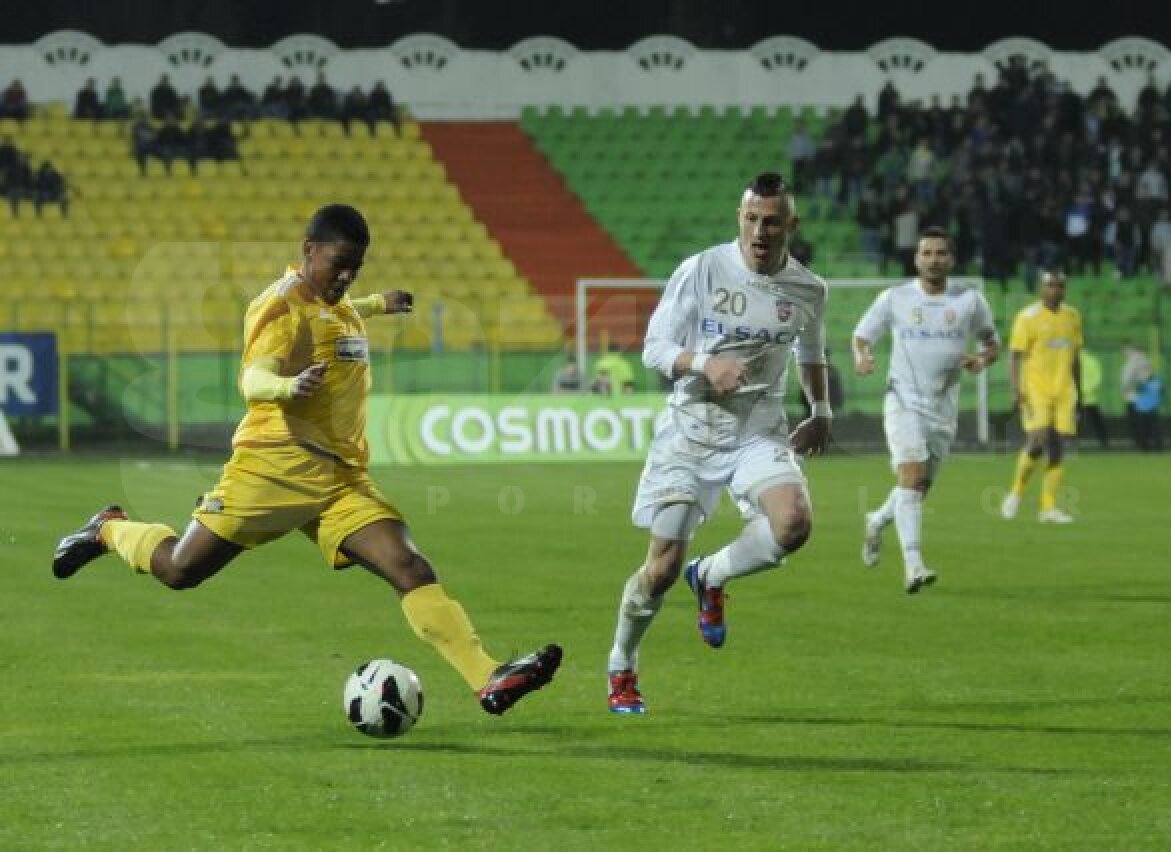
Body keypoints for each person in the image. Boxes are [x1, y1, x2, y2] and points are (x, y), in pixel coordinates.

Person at [51, 204, 561, 717]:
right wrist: (287, 386)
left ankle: (487, 675)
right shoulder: (278, 307)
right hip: (274, 467)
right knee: (181, 570)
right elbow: (253, 378)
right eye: (338, 263)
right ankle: (109, 530)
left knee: (408, 565)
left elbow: (335, 313)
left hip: (339, 479)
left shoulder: (336, 302)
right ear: (309, 250)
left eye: (356, 267)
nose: (346, 276)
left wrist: (378, 303)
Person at [605, 173, 832, 714]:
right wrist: (705, 363)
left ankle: (710, 575)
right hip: (691, 430)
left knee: (794, 524)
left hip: (757, 431)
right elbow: (655, 347)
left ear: (790, 226)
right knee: (658, 570)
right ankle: (622, 664)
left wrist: (821, 411)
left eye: (771, 221)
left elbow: (810, 353)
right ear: (740, 217)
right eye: (751, 219)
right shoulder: (703, 269)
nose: (759, 230)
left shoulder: (808, 290)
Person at [854, 227, 999, 592]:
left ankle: (876, 521)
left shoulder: (970, 301)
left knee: (917, 487)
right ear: (916, 259)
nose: (933, 260)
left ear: (951, 259)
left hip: (943, 409)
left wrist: (982, 360)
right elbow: (862, 336)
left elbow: (991, 343)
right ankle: (914, 565)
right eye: (927, 253)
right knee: (912, 471)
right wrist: (864, 356)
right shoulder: (895, 298)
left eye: (940, 253)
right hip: (903, 401)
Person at [1000, 271, 1083, 523]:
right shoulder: (1028, 317)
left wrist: (1080, 391)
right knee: (1039, 440)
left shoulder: (1072, 316)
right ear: (1041, 288)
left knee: (1058, 448)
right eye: (1050, 286)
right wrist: (1016, 389)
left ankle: (1048, 509)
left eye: (1060, 286)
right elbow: (1015, 356)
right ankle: (1015, 492)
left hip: (1065, 391)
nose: (1055, 290)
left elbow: (1075, 356)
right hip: (1036, 390)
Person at [1120, 342, 1153, 448]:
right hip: (1133, 396)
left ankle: (1142, 443)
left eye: (1124, 349)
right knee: (1138, 421)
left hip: (1136, 397)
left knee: (1138, 421)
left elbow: (1140, 377)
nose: (1122, 352)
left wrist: (1128, 386)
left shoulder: (1138, 361)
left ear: (1131, 349)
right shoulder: (1136, 360)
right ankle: (1141, 442)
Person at [1078, 348, 1109, 449]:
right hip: (1090, 397)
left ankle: (1071, 442)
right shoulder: (1092, 361)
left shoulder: (1069, 360)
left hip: (1075, 397)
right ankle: (1104, 441)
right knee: (1097, 421)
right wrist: (1087, 390)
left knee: (1072, 421)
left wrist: (1079, 391)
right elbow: (1098, 379)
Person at [1131, 371, 1164, 452]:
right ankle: (1145, 447)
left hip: (1151, 408)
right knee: (1144, 429)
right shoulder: (1142, 382)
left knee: (1154, 429)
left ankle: (1158, 447)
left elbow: (1162, 391)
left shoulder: (1156, 381)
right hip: (1142, 408)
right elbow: (1137, 390)